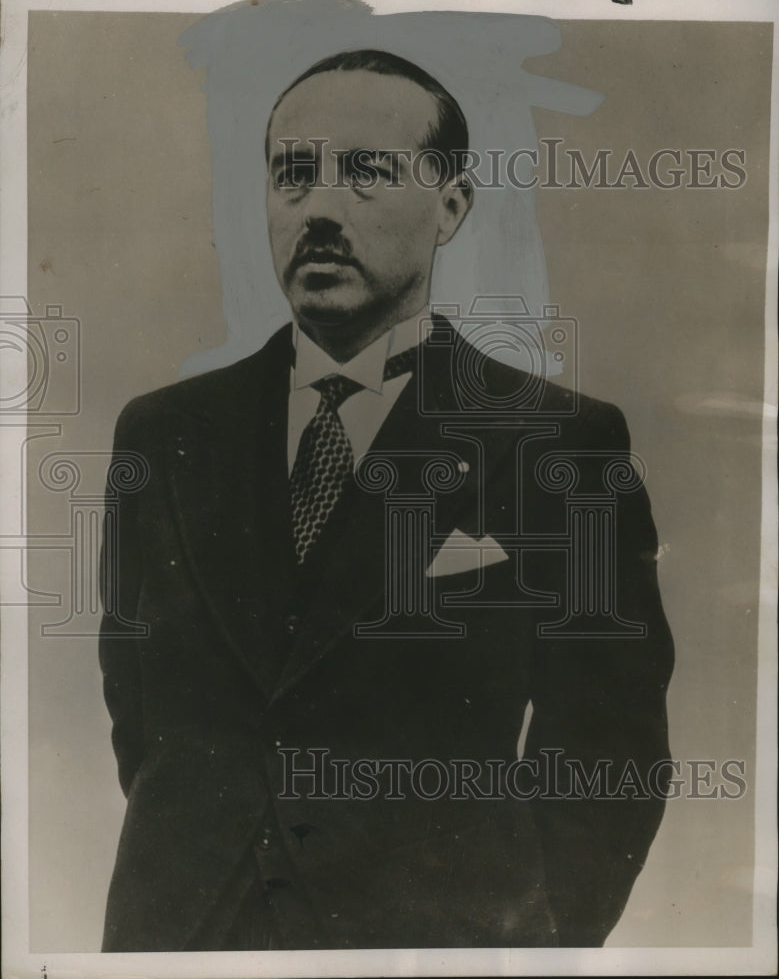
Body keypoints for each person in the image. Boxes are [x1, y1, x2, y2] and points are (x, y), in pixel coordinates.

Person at [99, 49, 674, 952]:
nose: (320, 208)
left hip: (428, 941)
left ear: (451, 206)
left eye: (366, 173)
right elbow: (140, 713)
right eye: (294, 174)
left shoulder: (557, 442)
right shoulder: (164, 433)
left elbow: (611, 744)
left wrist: (537, 944)